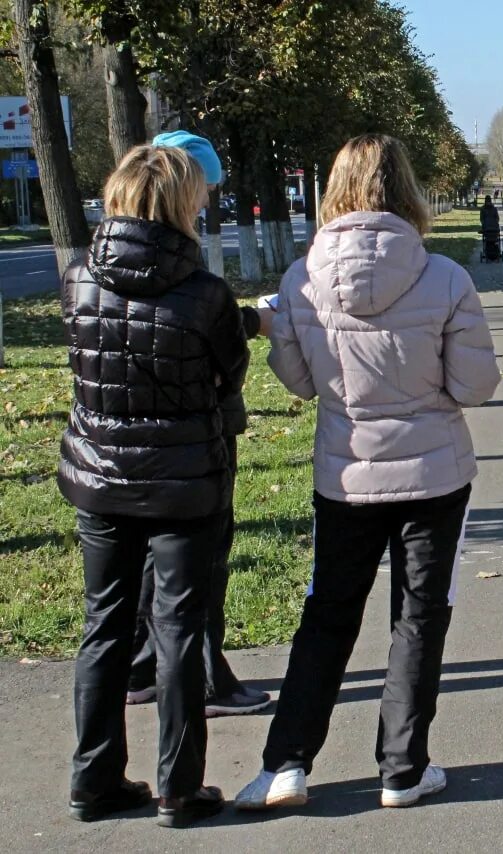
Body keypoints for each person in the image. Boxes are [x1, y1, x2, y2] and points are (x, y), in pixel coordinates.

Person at [234, 134, 501, 811]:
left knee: (326, 616)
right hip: (435, 477)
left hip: (345, 476)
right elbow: (475, 386)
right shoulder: (445, 278)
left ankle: (286, 764)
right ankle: (402, 770)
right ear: (407, 190)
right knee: (418, 618)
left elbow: (298, 381)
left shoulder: (301, 279)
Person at [59, 144, 249, 827]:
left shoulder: (80, 278)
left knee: (104, 627)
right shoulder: (204, 294)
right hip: (183, 483)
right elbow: (230, 377)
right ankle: (178, 787)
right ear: (179, 205)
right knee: (177, 629)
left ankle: (93, 779)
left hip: (101, 476)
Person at [124, 129, 272, 717]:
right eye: (205, 188)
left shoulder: (92, 270)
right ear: (181, 190)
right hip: (194, 441)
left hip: (119, 444)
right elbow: (213, 347)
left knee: (144, 562)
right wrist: (251, 324)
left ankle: (139, 668)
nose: (210, 200)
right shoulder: (190, 273)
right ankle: (208, 679)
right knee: (202, 560)